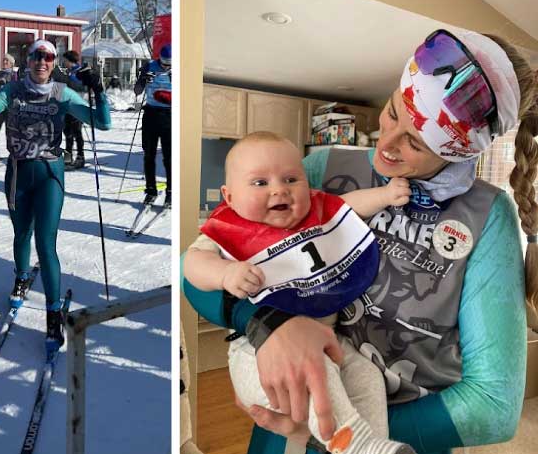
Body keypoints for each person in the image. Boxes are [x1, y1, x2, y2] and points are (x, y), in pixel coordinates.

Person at [184, 29, 537, 454]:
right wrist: (265, 326)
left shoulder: (487, 216)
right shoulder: (320, 168)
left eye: (415, 142)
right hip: (284, 429)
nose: (384, 143)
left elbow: (493, 406)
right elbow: (195, 269)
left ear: (459, 153)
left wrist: (339, 436)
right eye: (391, 112)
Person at [185, 132, 415, 454]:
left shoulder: (316, 218)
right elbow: (192, 264)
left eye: (291, 179)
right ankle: (354, 444)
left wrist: (386, 194)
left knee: (366, 376)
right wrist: (225, 273)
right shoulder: (229, 229)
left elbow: (349, 207)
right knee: (318, 374)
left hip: (331, 342)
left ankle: (375, 445)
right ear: (230, 195)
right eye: (259, 183)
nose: (279, 188)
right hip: (255, 354)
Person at [0, 39, 111, 345]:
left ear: (54, 63)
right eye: (36, 57)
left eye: (48, 57)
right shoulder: (12, 91)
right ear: (27, 61)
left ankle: (53, 312)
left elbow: (102, 123)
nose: (42, 62)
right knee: (21, 235)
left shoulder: (61, 93)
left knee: (45, 243)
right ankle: (22, 277)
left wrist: (100, 90)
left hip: (50, 174)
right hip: (18, 173)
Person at [133, 44, 172, 206]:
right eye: (163, 63)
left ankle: (171, 192)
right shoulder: (149, 66)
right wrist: (143, 80)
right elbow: (136, 91)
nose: (165, 67)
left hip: (170, 115)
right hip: (150, 113)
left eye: (169, 64)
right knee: (148, 154)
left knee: (169, 157)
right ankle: (150, 190)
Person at [58, 50, 87, 169]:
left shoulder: (80, 72)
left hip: (78, 106)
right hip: (67, 107)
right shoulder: (69, 72)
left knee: (77, 133)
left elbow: (79, 86)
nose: (64, 63)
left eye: (65, 61)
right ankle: (68, 158)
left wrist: (65, 81)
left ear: (70, 61)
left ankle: (81, 157)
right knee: (67, 133)